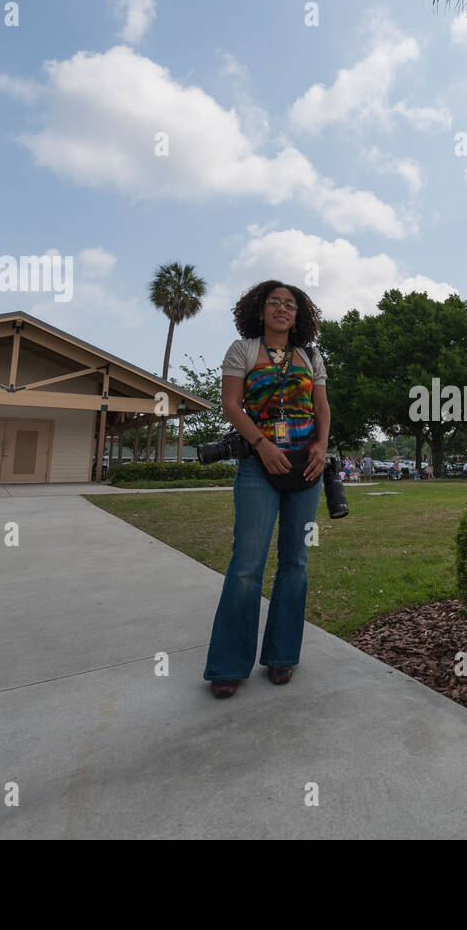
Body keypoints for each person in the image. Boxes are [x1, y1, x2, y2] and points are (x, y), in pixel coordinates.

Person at [205, 280, 329, 698]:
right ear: (260, 311)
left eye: (290, 304)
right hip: (258, 466)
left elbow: (322, 406)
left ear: (299, 315)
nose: (282, 309)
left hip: (306, 467)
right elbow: (231, 406)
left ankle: (282, 657)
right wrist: (261, 445)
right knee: (246, 564)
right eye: (274, 302)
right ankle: (227, 665)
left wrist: (322, 447)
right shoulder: (241, 350)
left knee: (295, 563)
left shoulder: (311, 356)